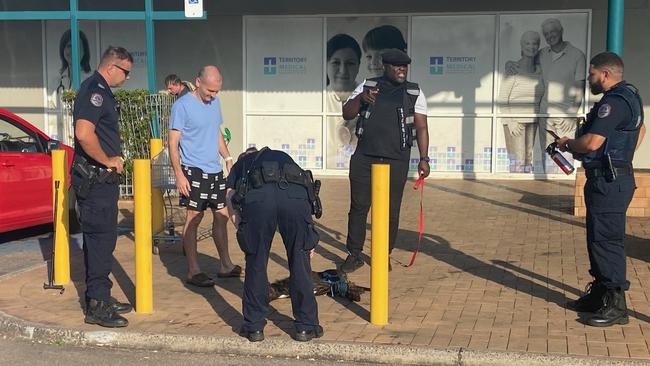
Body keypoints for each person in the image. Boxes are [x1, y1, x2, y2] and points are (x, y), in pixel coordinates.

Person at [556, 52, 645, 327]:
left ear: (605, 74)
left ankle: (616, 304)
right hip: (610, 177)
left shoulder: (614, 102)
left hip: (609, 181)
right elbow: (640, 131)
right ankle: (600, 295)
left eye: (592, 74)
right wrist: (620, 158)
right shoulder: (630, 97)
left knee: (607, 240)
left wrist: (568, 144)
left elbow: (592, 142)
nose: (589, 79)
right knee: (598, 237)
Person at [339, 49, 430, 273]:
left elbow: (421, 127)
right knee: (359, 207)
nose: (401, 70)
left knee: (390, 210)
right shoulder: (368, 86)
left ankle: (383, 253)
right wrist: (361, 99)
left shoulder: (414, 92)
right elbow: (347, 114)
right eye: (397, 66)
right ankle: (354, 254)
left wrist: (424, 158)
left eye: (405, 67)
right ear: (385, 67)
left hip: (396, 160)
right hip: (364, 158)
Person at [225, 147, 323, 342]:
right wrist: (307, 241)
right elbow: (304, 188)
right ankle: (306, 326)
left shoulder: (240, 166)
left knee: (256, 263)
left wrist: (242, 228)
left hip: (259, 200)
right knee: (300, 262)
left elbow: (229, 196)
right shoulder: (283, 157)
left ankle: (254, 328)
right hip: (295, 199)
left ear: (243, 156)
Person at [71, 46, 133, 328]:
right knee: (99, 241)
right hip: (96, 181)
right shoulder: (94, 90)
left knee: (103, 241)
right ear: (112, 67)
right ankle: (97, 305)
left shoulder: (99, 90)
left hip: (101, 182)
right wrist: (107, 160)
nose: (128, 78)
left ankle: (101, 297)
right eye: (126, 72)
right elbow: (84, 133)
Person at [169, 65, 240, 288]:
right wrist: (179, 174)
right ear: (198, 82)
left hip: (215, 169)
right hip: (193, 170)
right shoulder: (182, 106)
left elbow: (216, 132)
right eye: (210, 90)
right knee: (194, 218)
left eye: (217, 91)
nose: (213, 95)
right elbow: (172, 142)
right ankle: (193, 270)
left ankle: (225, 265)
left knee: (222, 215)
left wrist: (228, 159)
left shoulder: (215, 103)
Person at [537, 18, 586, 173]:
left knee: (568, 157)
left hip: (565, 117)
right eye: (547, 34)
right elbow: (525, 63)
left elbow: (580, 87)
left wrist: (571, 114)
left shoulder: (577, 55)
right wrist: (511, 64)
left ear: (561, 31)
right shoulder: (542, 54)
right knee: (548, 158)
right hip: (545, 115)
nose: (550, 36)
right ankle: (545, 187)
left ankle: (566, 186)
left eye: (553, 31)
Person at [498, 31, 544, 173]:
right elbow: (502, 99)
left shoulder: (540, 70)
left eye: (535, 43)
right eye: (527, 43)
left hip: (533, 119)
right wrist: (510, 120)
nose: (531, 46)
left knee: (528, 159)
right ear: (522, 46)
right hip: (515, 121)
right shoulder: (513, 69)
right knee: (518, 161)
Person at [326, 34, 362, 168]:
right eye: (336, 63)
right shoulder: (317, 102)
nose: (342, 71)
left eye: (350, 63)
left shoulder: (368, 98)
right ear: (326, 64)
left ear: (358, 66)